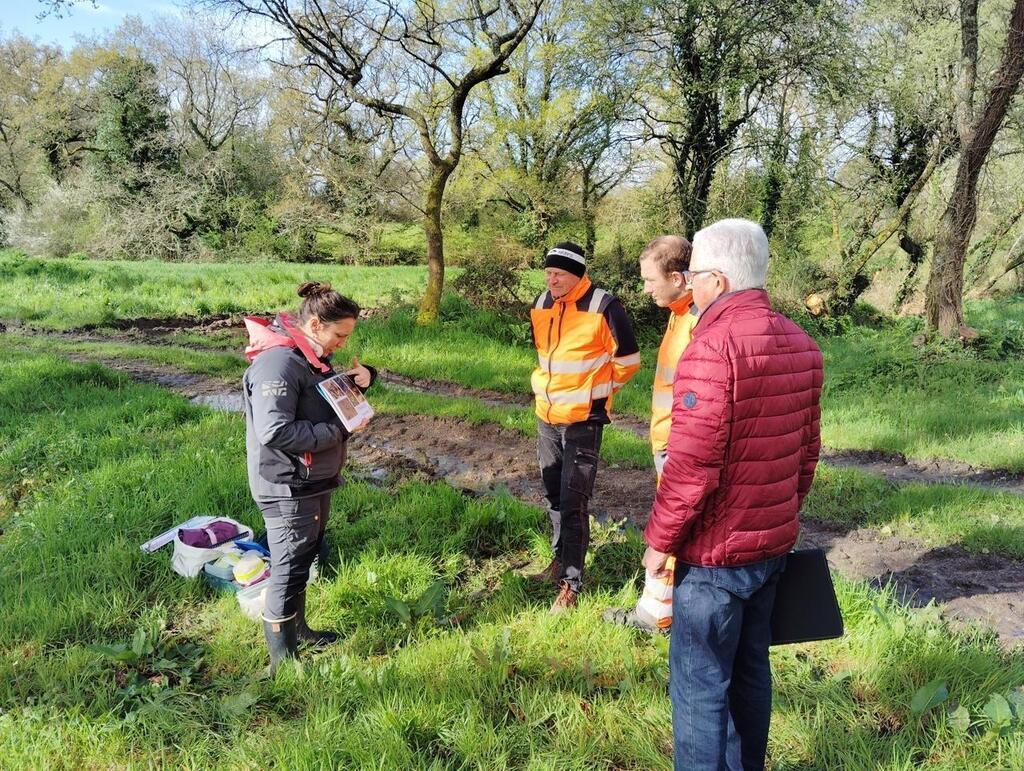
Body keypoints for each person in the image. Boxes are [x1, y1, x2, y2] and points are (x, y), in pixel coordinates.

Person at [642, 219, 823, 771]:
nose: (689, 287)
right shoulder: (802, 344)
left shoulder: (711, 349)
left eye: (694, 277)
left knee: (699, 689)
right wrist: (782, 517)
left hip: (715, 559)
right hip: (770, 551)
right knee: (749, 674)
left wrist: (659, 542)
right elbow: (806, 453)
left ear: (716, 281)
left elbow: (692, 467)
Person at [242, 281, 377, 674]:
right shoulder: (279, 363)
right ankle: (280, 661)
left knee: (303, 555)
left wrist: (366, 377)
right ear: (316, 324)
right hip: (287, 484)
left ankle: (299, 631)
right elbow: (275, 431)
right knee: (287, 565)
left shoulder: (310, 356)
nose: (342, 343)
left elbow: (321, 398)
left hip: (312, 479)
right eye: (340, 335)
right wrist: (336, 433)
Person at [529, 241, 641, 612]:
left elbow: (628, 359)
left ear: (577, 274)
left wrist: (597, 393)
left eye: (558, 273)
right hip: (547, 414)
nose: (551, 280)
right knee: (554, 496)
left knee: (574, 501)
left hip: (584, 420)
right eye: (548, 273)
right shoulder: (541, 304)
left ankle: (571, 586)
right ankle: (559, 561)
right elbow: (545, 356)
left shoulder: (604, 306)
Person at [603, 235, 698, 633]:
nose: (644, 289)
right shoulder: (680, 313)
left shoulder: (696, 320)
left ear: (677, 278)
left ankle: (657, 614)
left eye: (649, 280)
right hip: (668, 442)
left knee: (671, 527)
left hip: (680, 447)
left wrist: (676, 447)